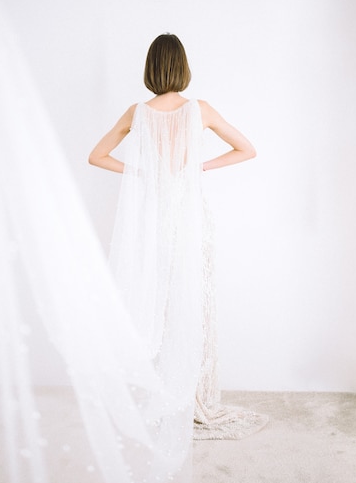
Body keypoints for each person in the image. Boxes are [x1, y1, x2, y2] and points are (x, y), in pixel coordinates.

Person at [89, 33, 268, 439]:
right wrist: (196, 168)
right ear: (183, 67)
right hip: (190, 216)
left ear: (150, 68)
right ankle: (191, 397)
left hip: (153, 219)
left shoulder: (137, 113)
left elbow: (96, 155)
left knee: (160, 305)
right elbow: (247, 149)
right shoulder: (199, 110)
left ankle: (165, 392)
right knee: (193, 308)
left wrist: (141, 173)